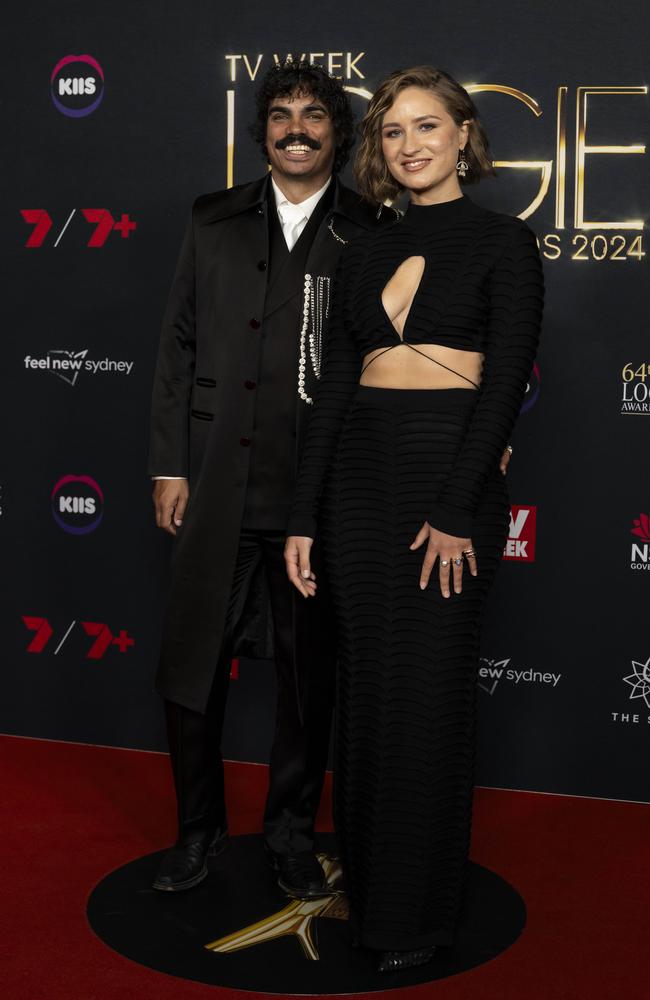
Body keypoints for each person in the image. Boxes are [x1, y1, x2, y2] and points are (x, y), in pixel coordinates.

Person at [285, 66, 544, 971]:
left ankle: (415, 915)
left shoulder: (503, 244)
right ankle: (367, 886)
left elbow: (504, 384)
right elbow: (332, 396)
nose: (410, 145)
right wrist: (304, 518)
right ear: (380, 151)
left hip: (448, 477)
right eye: (393, 132)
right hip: (359, 478)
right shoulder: (359, 252)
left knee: (427, 695)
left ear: (463, 136)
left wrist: (456, 508)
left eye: (428, 127)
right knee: (368, 691)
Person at [147, 62, 404, 899]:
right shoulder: (210, 217)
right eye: (282, 115)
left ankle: (292, 835)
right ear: (261, 130)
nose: (297, 128)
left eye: (314, 116)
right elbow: (178, 348)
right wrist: (168, 462)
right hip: (214, 484)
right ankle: (198, 831)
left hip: (314, 499)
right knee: (192, 672)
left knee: (307, 682)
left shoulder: (373, 228)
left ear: (337, 131)